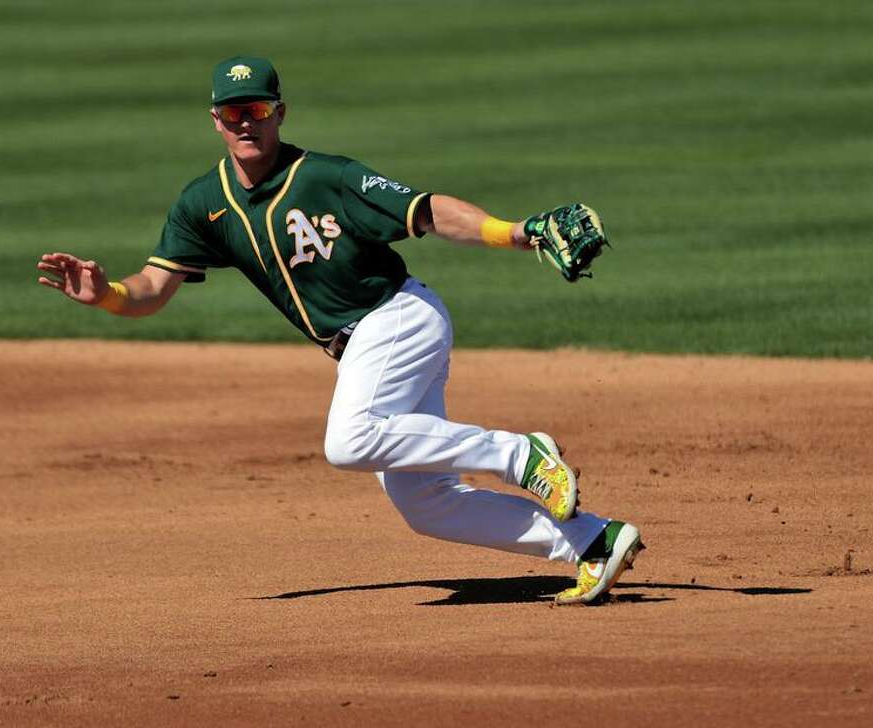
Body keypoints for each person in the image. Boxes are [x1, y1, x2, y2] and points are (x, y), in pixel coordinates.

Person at [36, 55, 643, 605]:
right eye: (233, 112)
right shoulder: (203, 204)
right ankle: (592, 543)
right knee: (425, 504)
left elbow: (426, 211)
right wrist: (107, 295)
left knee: (348, 440)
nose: (247, 123)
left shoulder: (328, 176)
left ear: (280, 113)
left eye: (259, 110)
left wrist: (512, 231)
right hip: (363, 346)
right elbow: (152, 288)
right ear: (215, 120)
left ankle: (519, 454)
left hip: (397, 320)